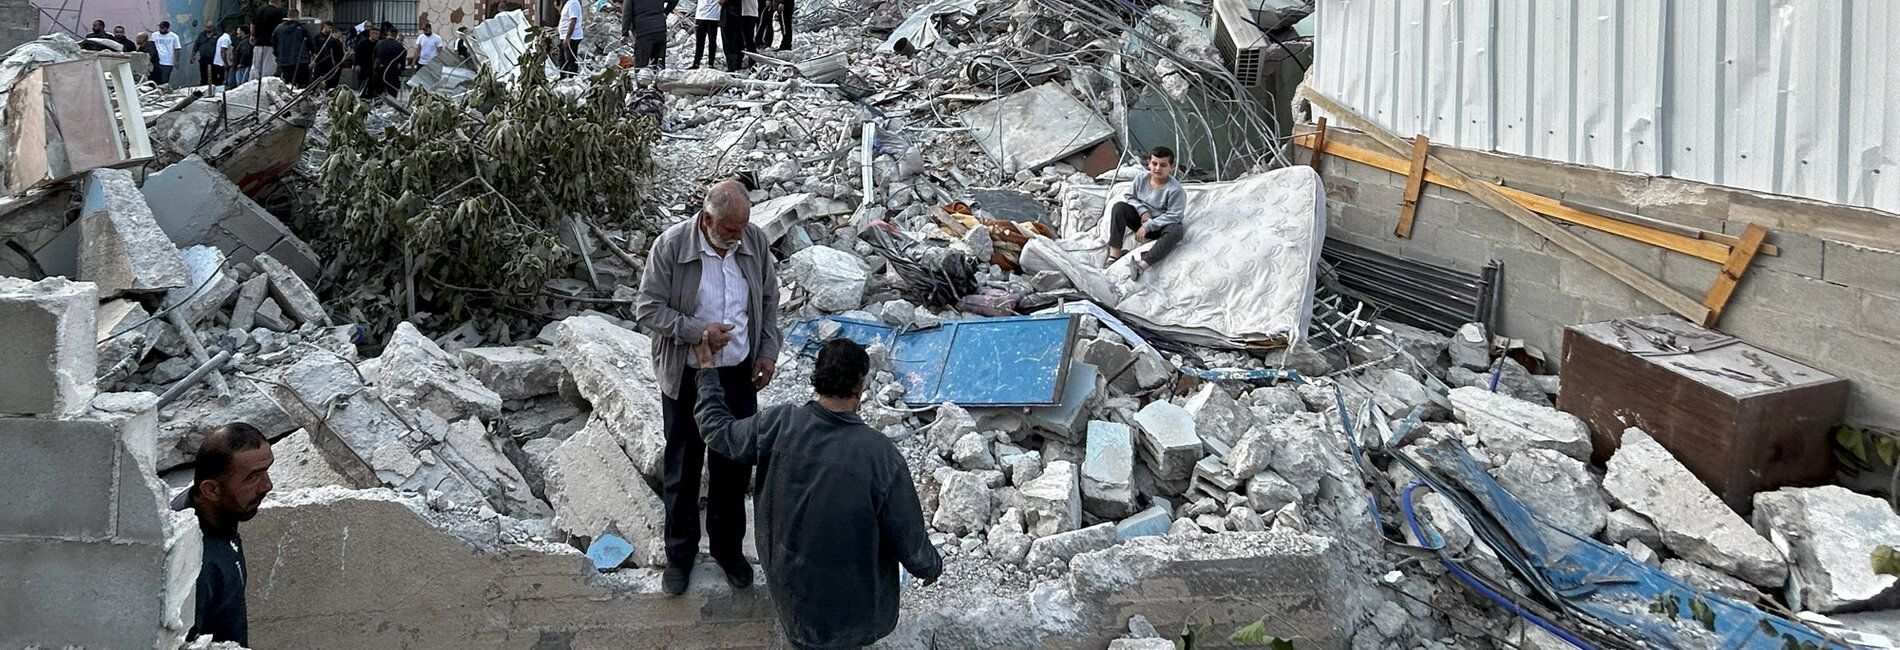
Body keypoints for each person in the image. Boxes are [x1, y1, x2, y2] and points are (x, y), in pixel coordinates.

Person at [690, 338, 942, 649]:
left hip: (791, 599)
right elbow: (910, 540)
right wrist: (930, 567)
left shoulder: (777, 423)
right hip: (853, 618)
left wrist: (706, 370)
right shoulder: (880, 455)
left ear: (817, 378)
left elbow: (716, 429)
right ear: (860, 384)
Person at [632, 179, 781, 597]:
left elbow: (769, 300)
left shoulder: (753, 242)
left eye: (743, 228)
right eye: (732, 229)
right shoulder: (672, 246)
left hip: (737, 373)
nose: (740, 236)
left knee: (733, 468)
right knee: (683, 467)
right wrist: (698, 332)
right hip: (688, 372)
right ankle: (680, 556)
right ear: (708, 218)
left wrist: (767, 352)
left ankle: (728, 551)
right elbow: (646, 308)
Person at [170, 423, 275, 646]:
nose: (267, 486)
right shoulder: (192, 564)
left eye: (267, 470)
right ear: (211, 490)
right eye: (253, 477)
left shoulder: (216, 513)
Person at [1105, 146, 1188, 279]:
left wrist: (1148, 225)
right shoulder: (1141, 179)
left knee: (1177, 230)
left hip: (1160, 227)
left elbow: (1175, 215)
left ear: (1171, 167)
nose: (1157, 168)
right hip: (1140, 219)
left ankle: (1142, 264)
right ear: (1148, 163)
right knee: (1119, 207)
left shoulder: (1175, 190)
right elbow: (1130, 196)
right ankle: (1114, 254)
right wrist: (1143, 211)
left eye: (1163, 165)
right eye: (1154, 164)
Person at [622, 0, 679, 68]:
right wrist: (666, 12)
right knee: (658, 65)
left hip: (643, 32)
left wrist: (624, 34)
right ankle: (659, 77)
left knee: (641, 66)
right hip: (660, 30)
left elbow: (626, 14)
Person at [271, 10, 311, 86]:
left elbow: (274, 43)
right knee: (302, 85)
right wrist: (312, 53)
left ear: (287, 16)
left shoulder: (279, 29)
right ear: (297, 16)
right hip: (301, 60)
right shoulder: (303, 28)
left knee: (287, 85)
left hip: (284, 61)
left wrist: (278, 56)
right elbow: (310, 42)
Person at [250, 0, 285, 78]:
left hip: (258, 43)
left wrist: (252, 35)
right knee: (268, 69)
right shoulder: (277, 13)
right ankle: (264, 87)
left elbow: (253, 24)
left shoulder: (259, 10)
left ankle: (254, 85)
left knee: (256, 68)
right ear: (278, 1)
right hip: (270, 45)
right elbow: (278, 29)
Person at [311, 23, 347, 89]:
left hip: (329, 62)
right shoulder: (317, 37)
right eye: (329, 27)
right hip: (319, 61)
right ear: (324, 26)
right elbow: (313, 49)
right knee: (317, 79)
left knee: (331, 80)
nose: (330, 29)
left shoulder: (331, 39)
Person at [373, 29, 407, 99]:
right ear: (396, 35)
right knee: (392, 92)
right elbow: (402, 62)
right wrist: (402, 71)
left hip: (378, 69)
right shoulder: (400, 48)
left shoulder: (379, 44)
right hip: (392, 71)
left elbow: (374, 56)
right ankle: (391, 108)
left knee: (378, 92)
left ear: (388, 34)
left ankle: (377, 107)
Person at [689, 0, 719, 68]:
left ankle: (710, 63)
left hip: (713, 16)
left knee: (712, 41)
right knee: (700, 42)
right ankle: (696, 63)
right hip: (701, 16)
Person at [558, 0, 584, 74]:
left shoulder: (573, 3)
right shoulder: (567, 4)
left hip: (572, 36)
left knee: (570, 60)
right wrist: (560, 7)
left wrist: (567, 38)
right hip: (564, 36)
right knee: (562, 59)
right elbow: (564, 18)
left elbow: (573, 21)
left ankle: (572, 78)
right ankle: (562, 78)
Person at [354, 28, 379, 94]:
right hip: (363, 66)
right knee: (363, 83)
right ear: (371, 34)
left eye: (378, 34)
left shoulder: (378, 44)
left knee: (373, 84)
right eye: (376, 34)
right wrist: (357, 64)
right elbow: (357, 54)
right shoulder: (362, 43)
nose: (377, 36)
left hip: (374, 67)